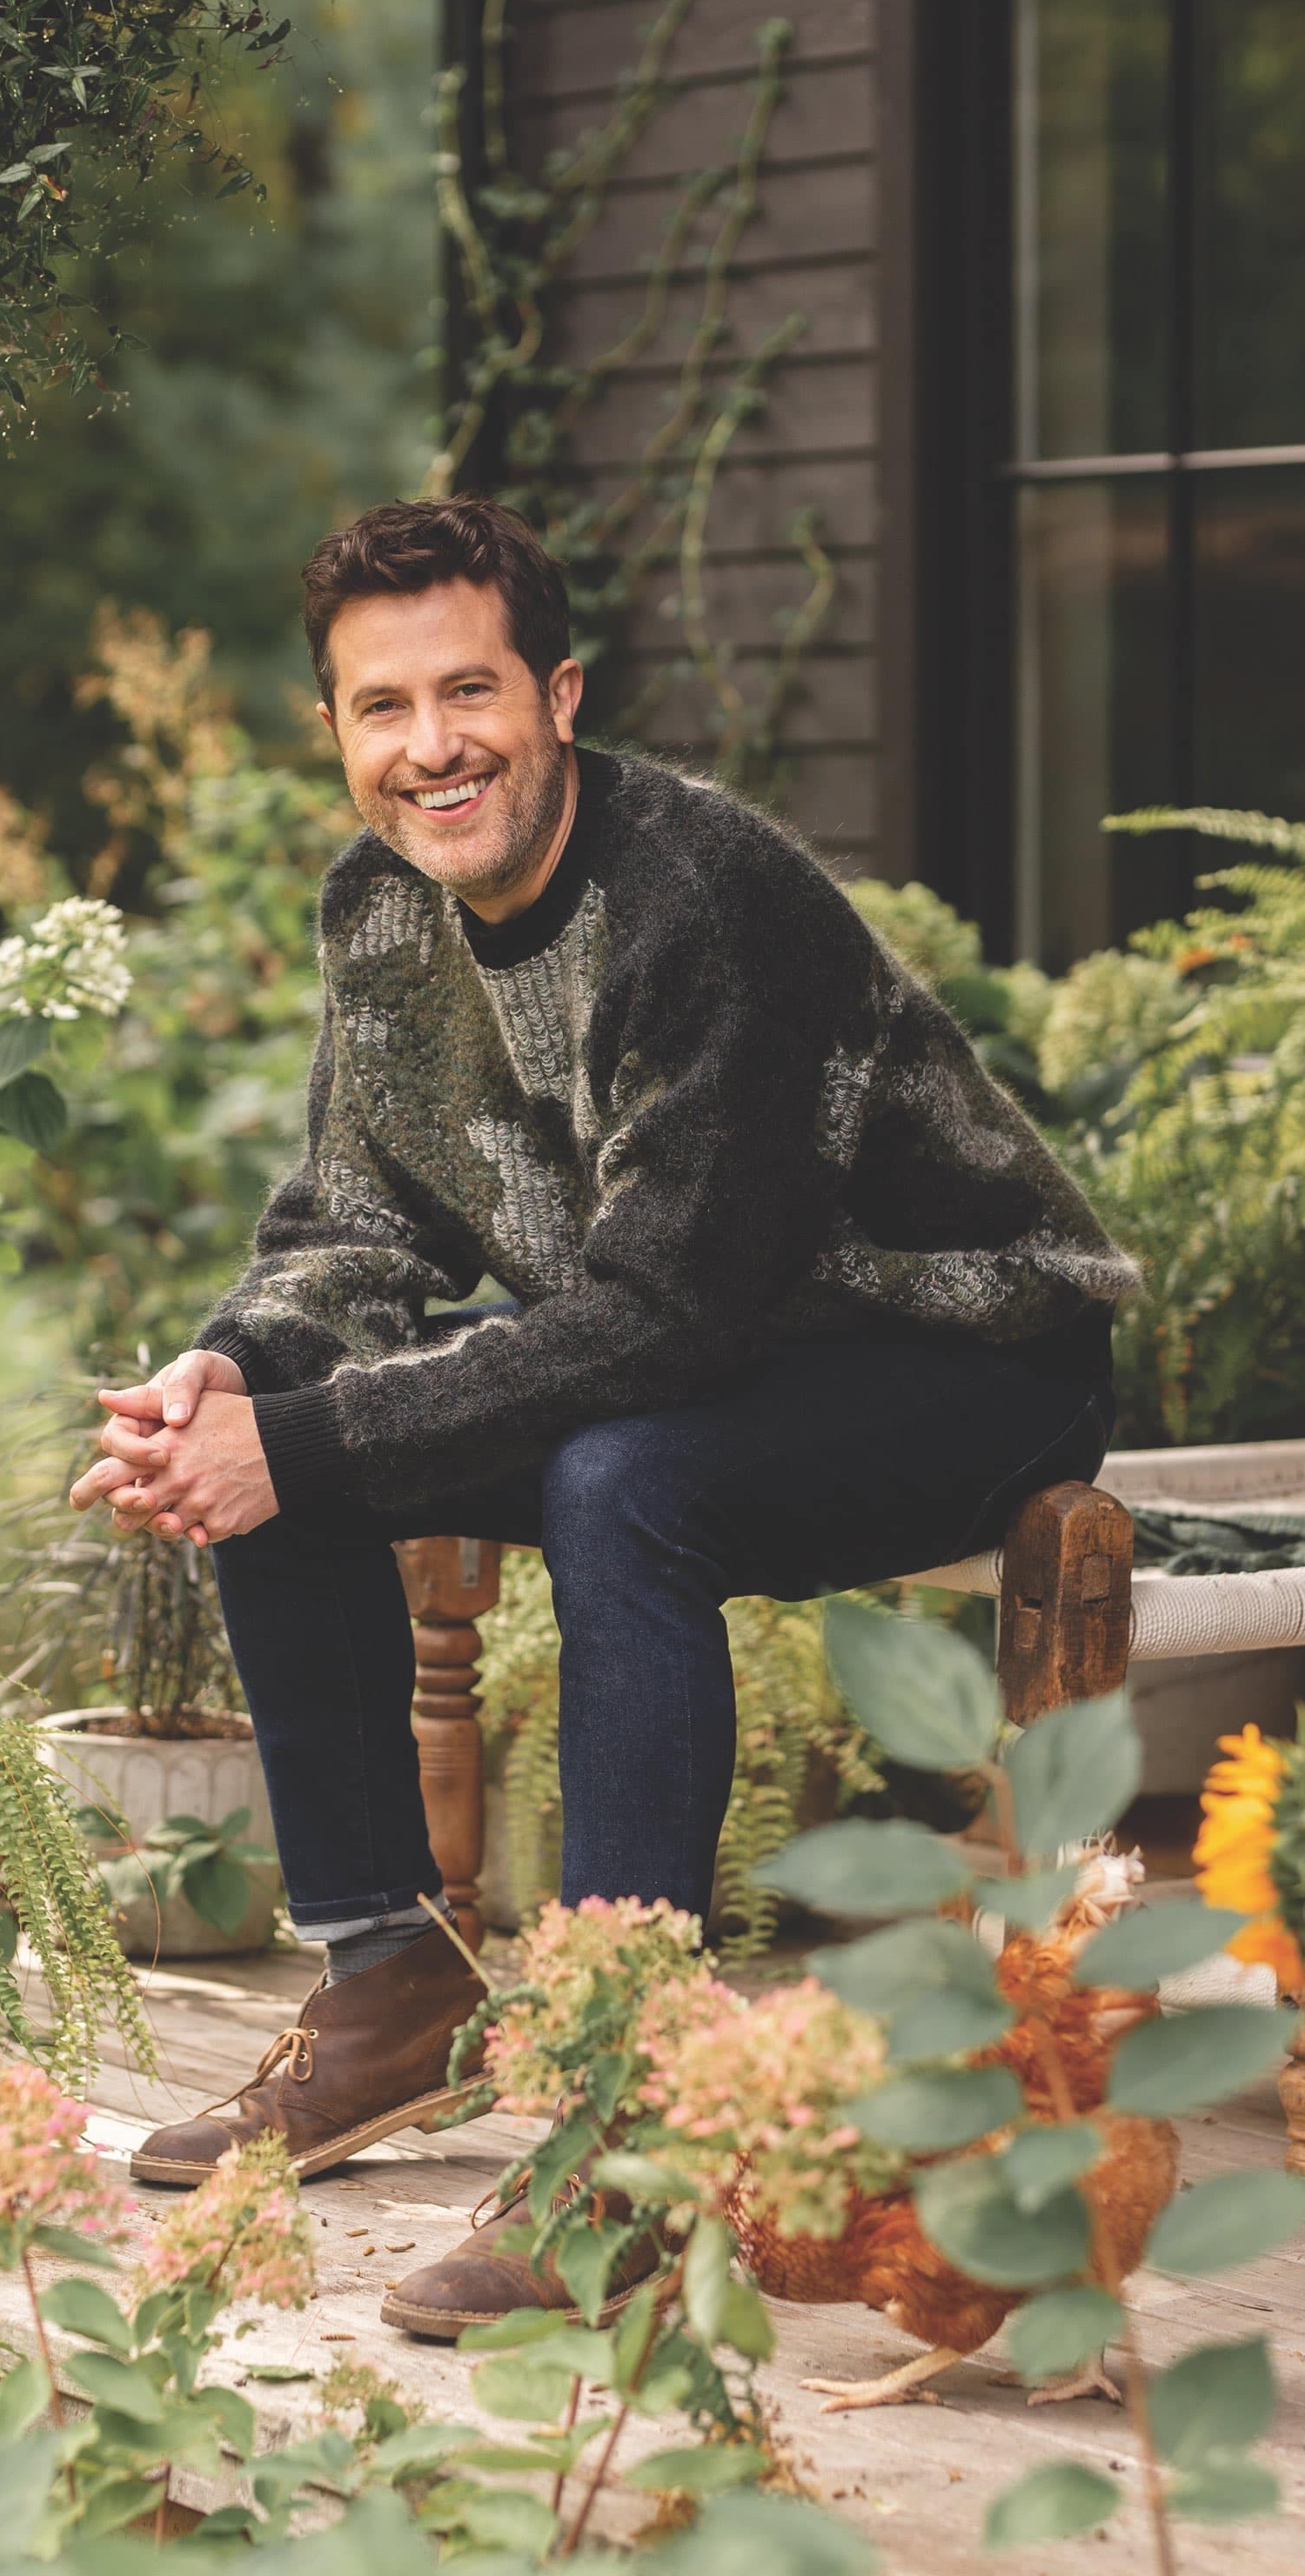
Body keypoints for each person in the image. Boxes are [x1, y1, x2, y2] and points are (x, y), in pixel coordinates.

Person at [70, 496, 1134, 2339]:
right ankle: (396, 1983)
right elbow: (350, 1228)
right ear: (333, 731)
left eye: (468, 691)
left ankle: (627, 2120)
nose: (431, 746)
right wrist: (229, 1380)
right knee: (293, 1425)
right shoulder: (383, 910)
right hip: (707, 1351)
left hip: (961, 1355)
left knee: (617, 1473)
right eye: (381, 707)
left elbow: (664, 1315)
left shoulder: (702, 899)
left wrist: (301, 1439)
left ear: (558, 696)